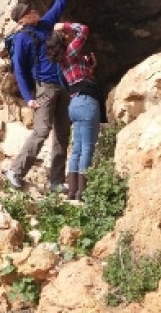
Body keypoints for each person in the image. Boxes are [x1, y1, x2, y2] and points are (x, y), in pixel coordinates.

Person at [5, 0, 78, 192]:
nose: (34, 11)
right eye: (29, 11)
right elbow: (19, 71)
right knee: (41, 131)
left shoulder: (45, 25)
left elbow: (60, 3)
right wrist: (28, 98)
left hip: (63, 84)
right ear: (22, 20)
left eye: (32, 9)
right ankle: (15, 171)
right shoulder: (23, 39)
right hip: (44, 87)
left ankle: (56, 181)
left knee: (62, 134)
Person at [46, 21, 101, 200]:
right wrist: (65, 25)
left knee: (77, 148)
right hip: (86, 103)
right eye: (66, 35)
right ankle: (82, 192)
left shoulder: (63, 60)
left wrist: (90, 68)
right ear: (63, 39)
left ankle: (72, 191)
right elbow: (84, 29)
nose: (70, 35)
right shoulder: (71, 51)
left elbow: (80, 77)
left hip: (75, 103)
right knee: (87, 148)